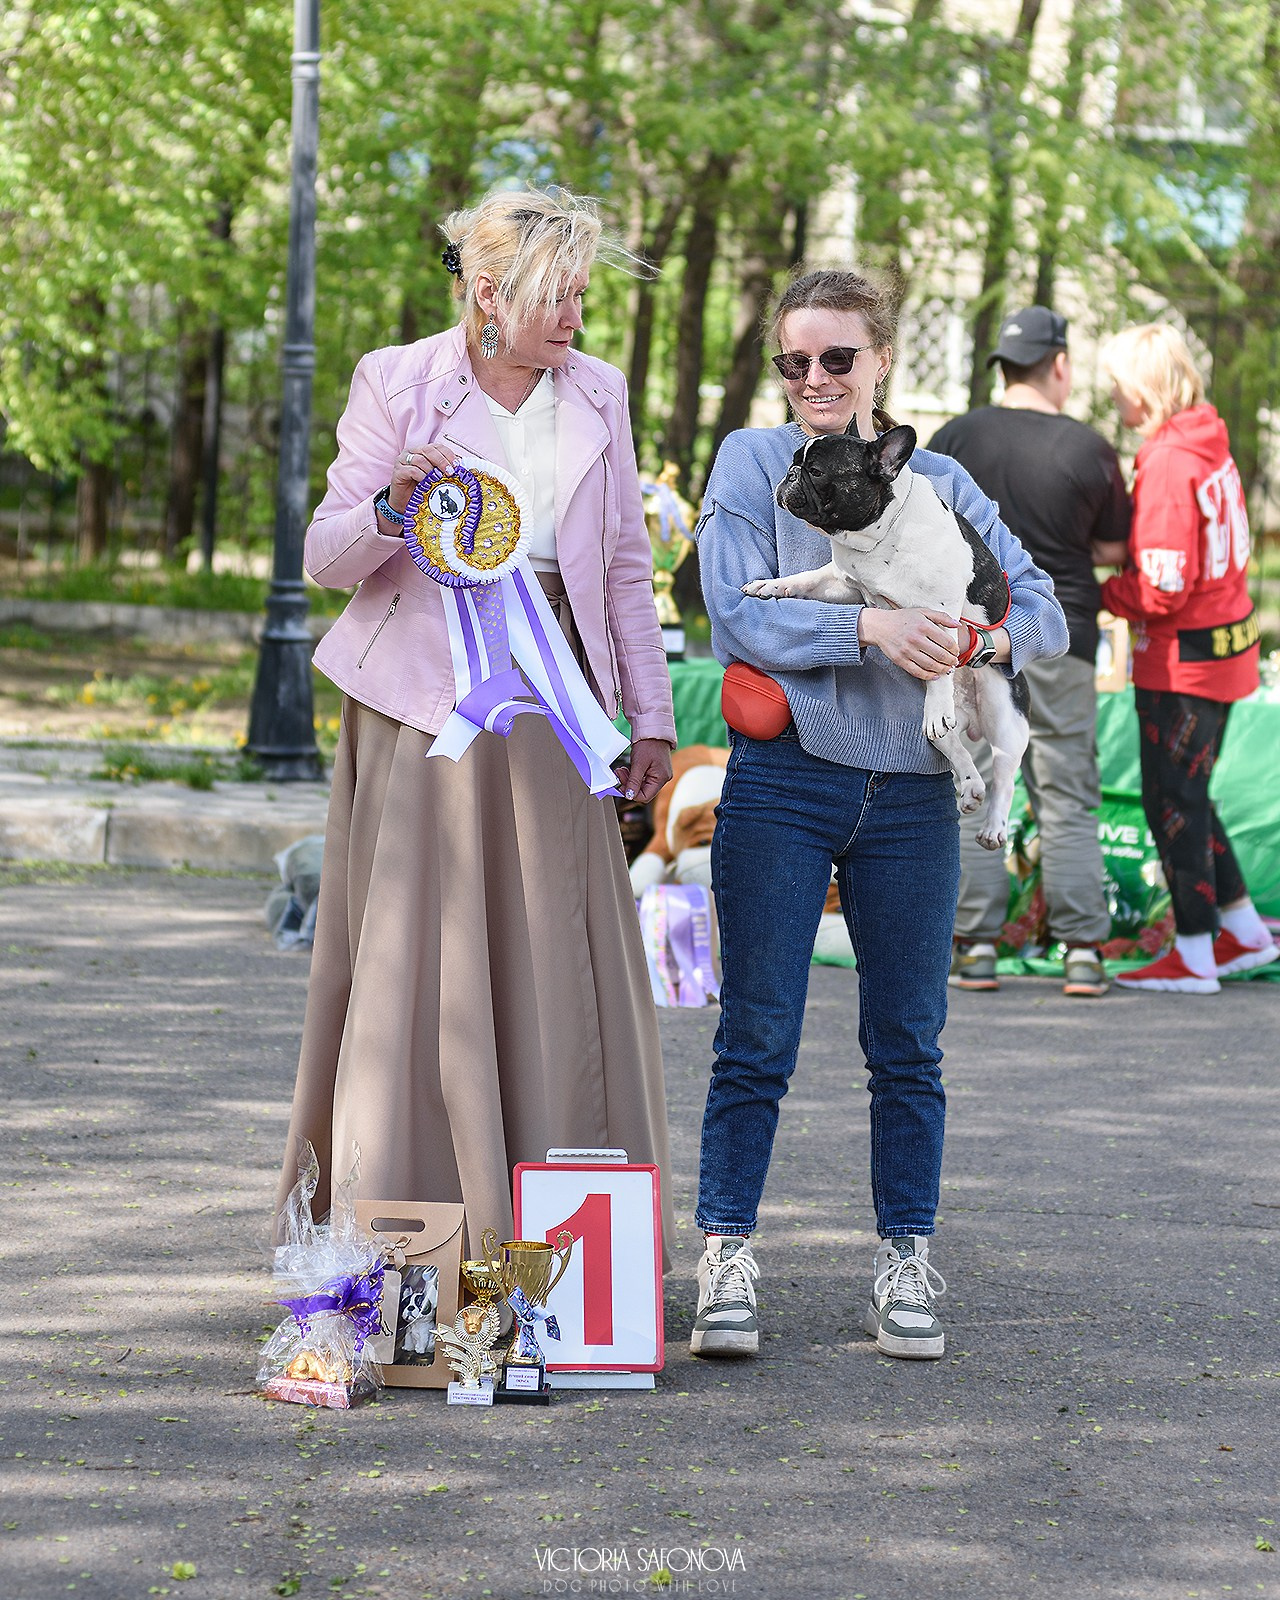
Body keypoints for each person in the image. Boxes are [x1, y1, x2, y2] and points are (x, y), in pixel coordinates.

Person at [274, 187, 677, 1255]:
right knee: (412, 972)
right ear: (489, 295)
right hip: (420, 717)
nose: (576, 319)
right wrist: (389, 510)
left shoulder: (599, 390)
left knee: (555, 968)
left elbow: (624, 568)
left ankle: (548, 1255)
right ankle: (400, 1246)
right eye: (557, 297)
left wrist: (649, 716)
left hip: (555, 709)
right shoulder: (394, 380)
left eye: (582, 296)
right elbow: (324, 558)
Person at [689, 270, 1068, 1362]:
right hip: (786, 777)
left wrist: (975, 641)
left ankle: (904, 1258)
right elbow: (733, 613)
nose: (815, 377)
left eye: (837, 357)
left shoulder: (938, 479)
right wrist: (868, 630)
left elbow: (1041, 608)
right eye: (794, 361)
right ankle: (725, 1253)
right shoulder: (752, 462)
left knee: (907, 1045)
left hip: (913, 796)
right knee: (754, 1036)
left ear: (882, 362)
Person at [928, 305, 1131, 997]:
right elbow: (1114, 547)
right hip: (1060, 633)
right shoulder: (1091, 448)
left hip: (976, 634)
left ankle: (976, 945)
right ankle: (1083, 951)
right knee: (1066, 788)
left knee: (977, 777)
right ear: (1061, 365)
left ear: (1003, 368)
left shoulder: (958, 436)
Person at [1099, 323, 1275, 994]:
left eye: (1119, 384)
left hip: (1184, 662)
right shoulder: (1207, 437)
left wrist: (1094, 591)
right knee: (1190, 797)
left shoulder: (1170, 460)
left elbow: (1162, 589)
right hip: (1225, 644)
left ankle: (1195, 954)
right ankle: (1244, 932)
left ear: (1144, 388)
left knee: (1170, 803)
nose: (1114, 396)